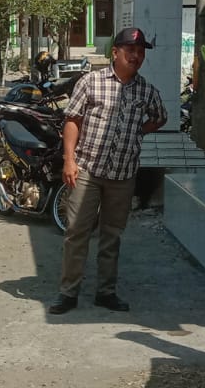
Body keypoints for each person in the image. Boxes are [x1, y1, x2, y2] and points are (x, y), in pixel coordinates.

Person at [49, 27, 166, 316]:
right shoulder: (91, 82)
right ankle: (68, 293)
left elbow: (160, 118)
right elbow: (73, 120)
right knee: (77, 231)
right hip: (88, 169)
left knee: (112, 235)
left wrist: (138, 131)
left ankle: (106, 292)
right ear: (115, 53)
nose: (136, 57)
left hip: (123, 175)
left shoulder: (146, 90)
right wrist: (69, 160)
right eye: (131, 51)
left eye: (140, 53)